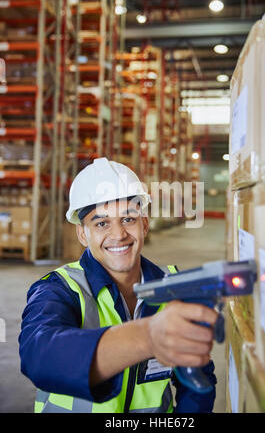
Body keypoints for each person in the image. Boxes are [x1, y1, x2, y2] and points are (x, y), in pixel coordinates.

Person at [19, 157, 218, 413]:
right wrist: (147, 336)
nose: (118, 235)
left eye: (128, 219)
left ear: (144, 224)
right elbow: (39, 356)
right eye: (101, 223)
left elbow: (198, 381)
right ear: (83, 234)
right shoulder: (59, 289)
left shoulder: (173, 287)